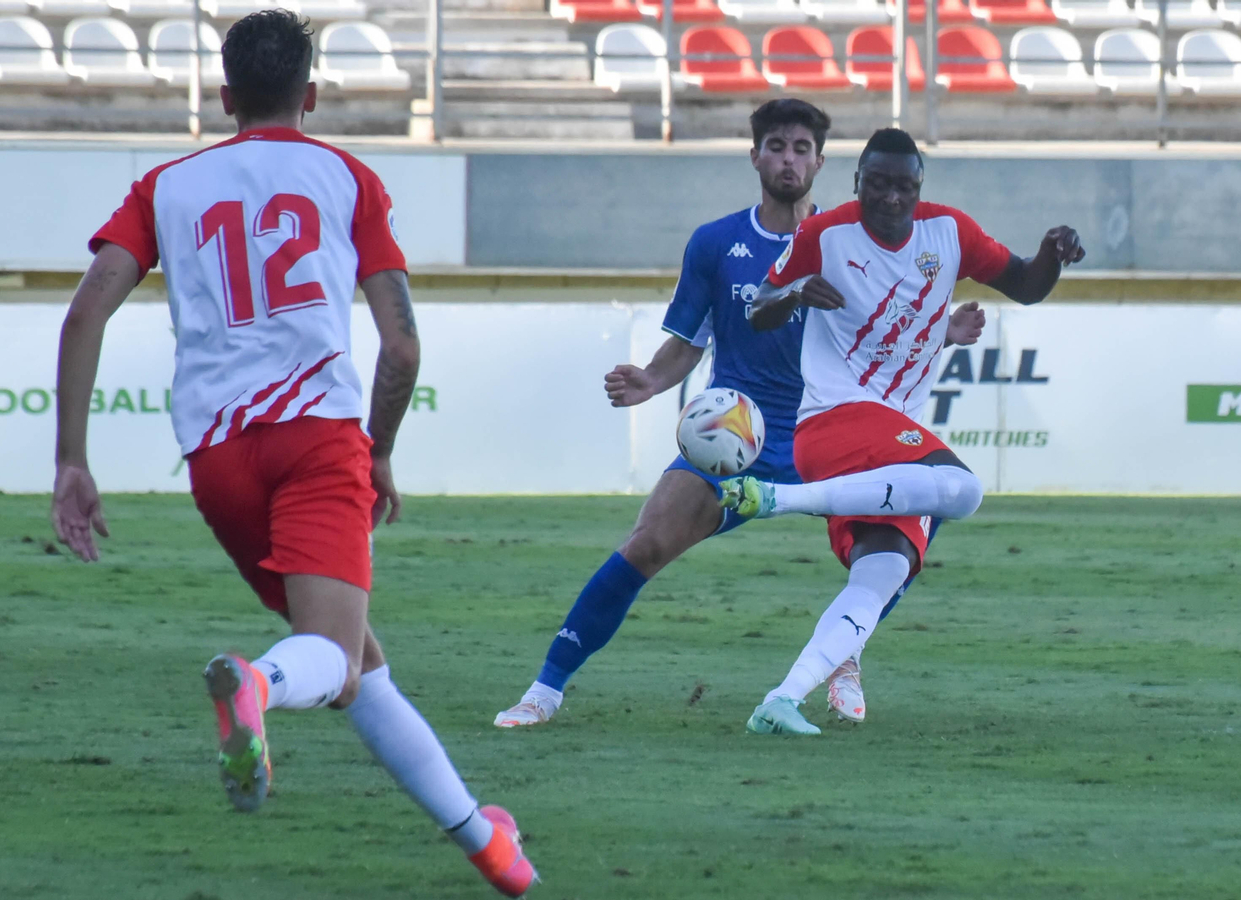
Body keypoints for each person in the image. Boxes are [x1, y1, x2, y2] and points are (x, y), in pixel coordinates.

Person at [49, 11, 535, 896]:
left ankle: (489, 848)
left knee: (357, 666)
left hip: (216, 458)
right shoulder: (347, 176)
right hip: (316, 440)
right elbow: (402, 345)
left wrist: (71, 462)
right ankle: (256, 685)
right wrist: (378, 451)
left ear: (224, 96)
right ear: (310, 95)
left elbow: (85, 313)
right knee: (330, 663)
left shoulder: (165, 185)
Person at [494, 102, 986, 730]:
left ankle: (845, 656)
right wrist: (652, 379)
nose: (789, 159)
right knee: (647, 544)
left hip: (837, 434)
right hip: (738, 434)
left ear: (821, 162)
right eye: (776, 146)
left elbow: (890, 333)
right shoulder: (716, 243)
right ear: (755, 156)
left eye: (802, 148)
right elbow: (688, 340)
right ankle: (544, 689)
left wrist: (942, 331)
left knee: (903, 541)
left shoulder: (854, 241)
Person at [722, 127, 1085, 736]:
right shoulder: (823, 234)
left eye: (904, 186)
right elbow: (758, 309)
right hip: (835, 420)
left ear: (920, 187)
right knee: (963, 490)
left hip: (893, 441)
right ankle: (777, 498)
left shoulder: (949, 232)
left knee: (882, 572)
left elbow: (1025, 284)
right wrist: (795, 291)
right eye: (878, 184)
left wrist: (1052, 254)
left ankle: (782, 700)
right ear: (857, 182)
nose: (891, 197)